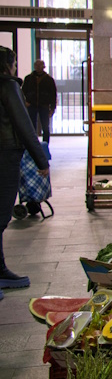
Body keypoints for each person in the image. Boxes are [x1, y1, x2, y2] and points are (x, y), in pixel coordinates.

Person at [0, 48, 49, 301]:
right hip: (5, 155)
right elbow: (23, 123)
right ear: (9, 65)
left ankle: (1, 269)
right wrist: (41, 159)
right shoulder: (8, 85)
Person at [22, 59, 57, 143]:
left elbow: (53, 95)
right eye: (36, 65)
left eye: (40, 65)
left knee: (45, 127)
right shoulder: (28, 79)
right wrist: (25, 102)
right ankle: (33, 145)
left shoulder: (49, 79)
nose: (38, 67)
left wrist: (52, 108)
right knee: (31, 127)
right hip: (31, 105)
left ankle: (45, 145)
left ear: (44, 66)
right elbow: (23, 91)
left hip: (44, 106)